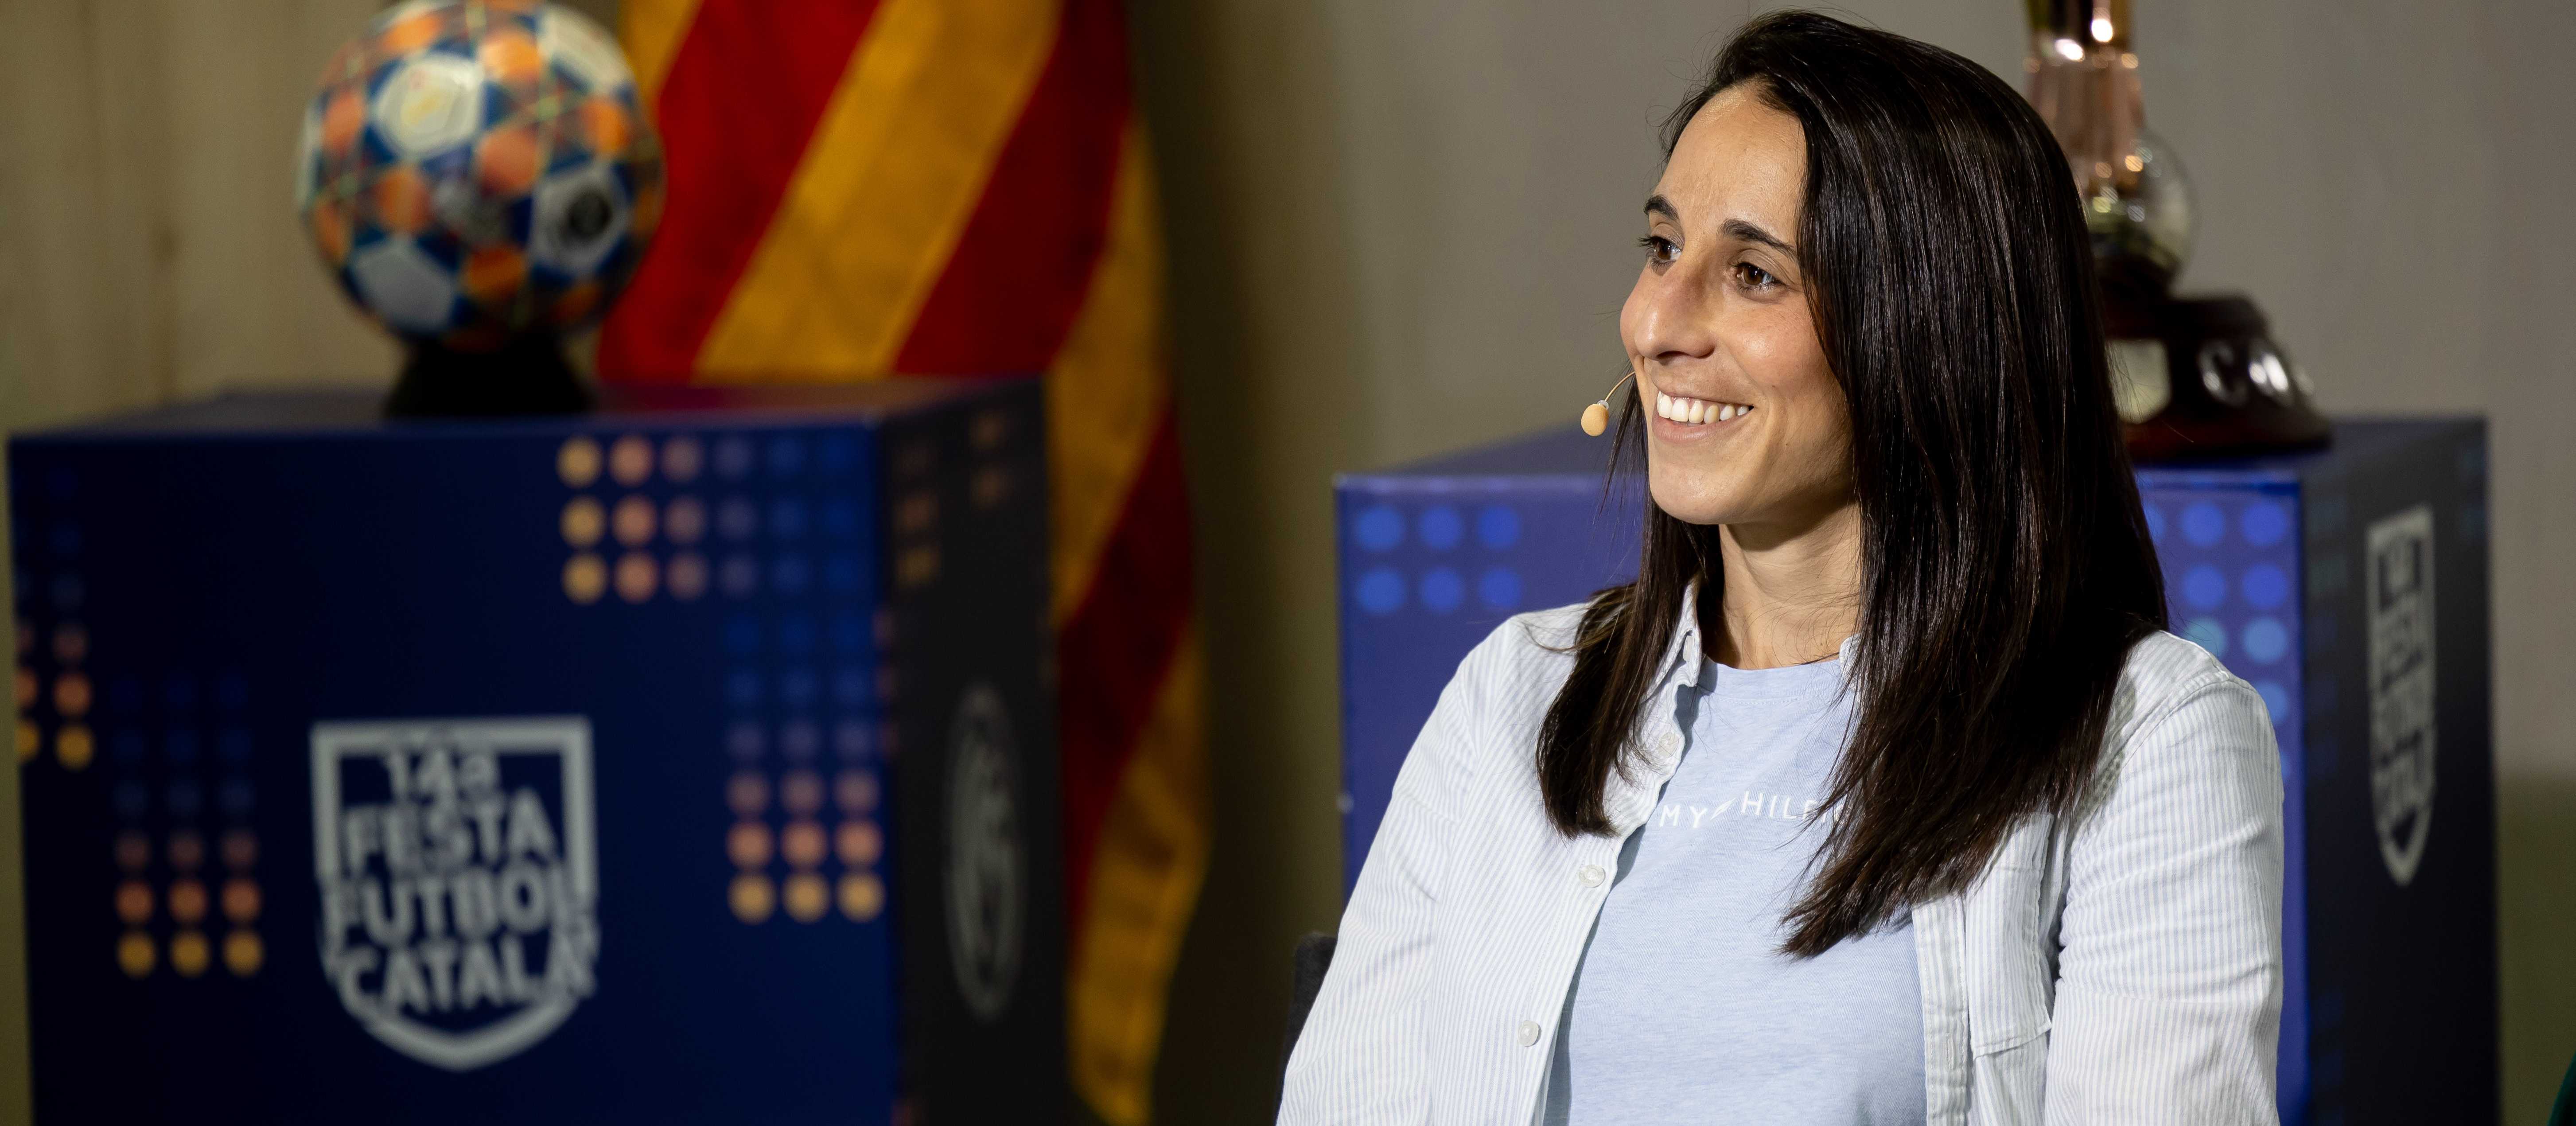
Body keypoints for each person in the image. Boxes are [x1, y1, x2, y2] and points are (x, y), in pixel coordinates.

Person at [1278, 11, 2283, 1124]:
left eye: (1754, 273)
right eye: (1663, 248)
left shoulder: (2146, 736)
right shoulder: (1514, 695)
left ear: (1932, 332)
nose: (1658, 322)